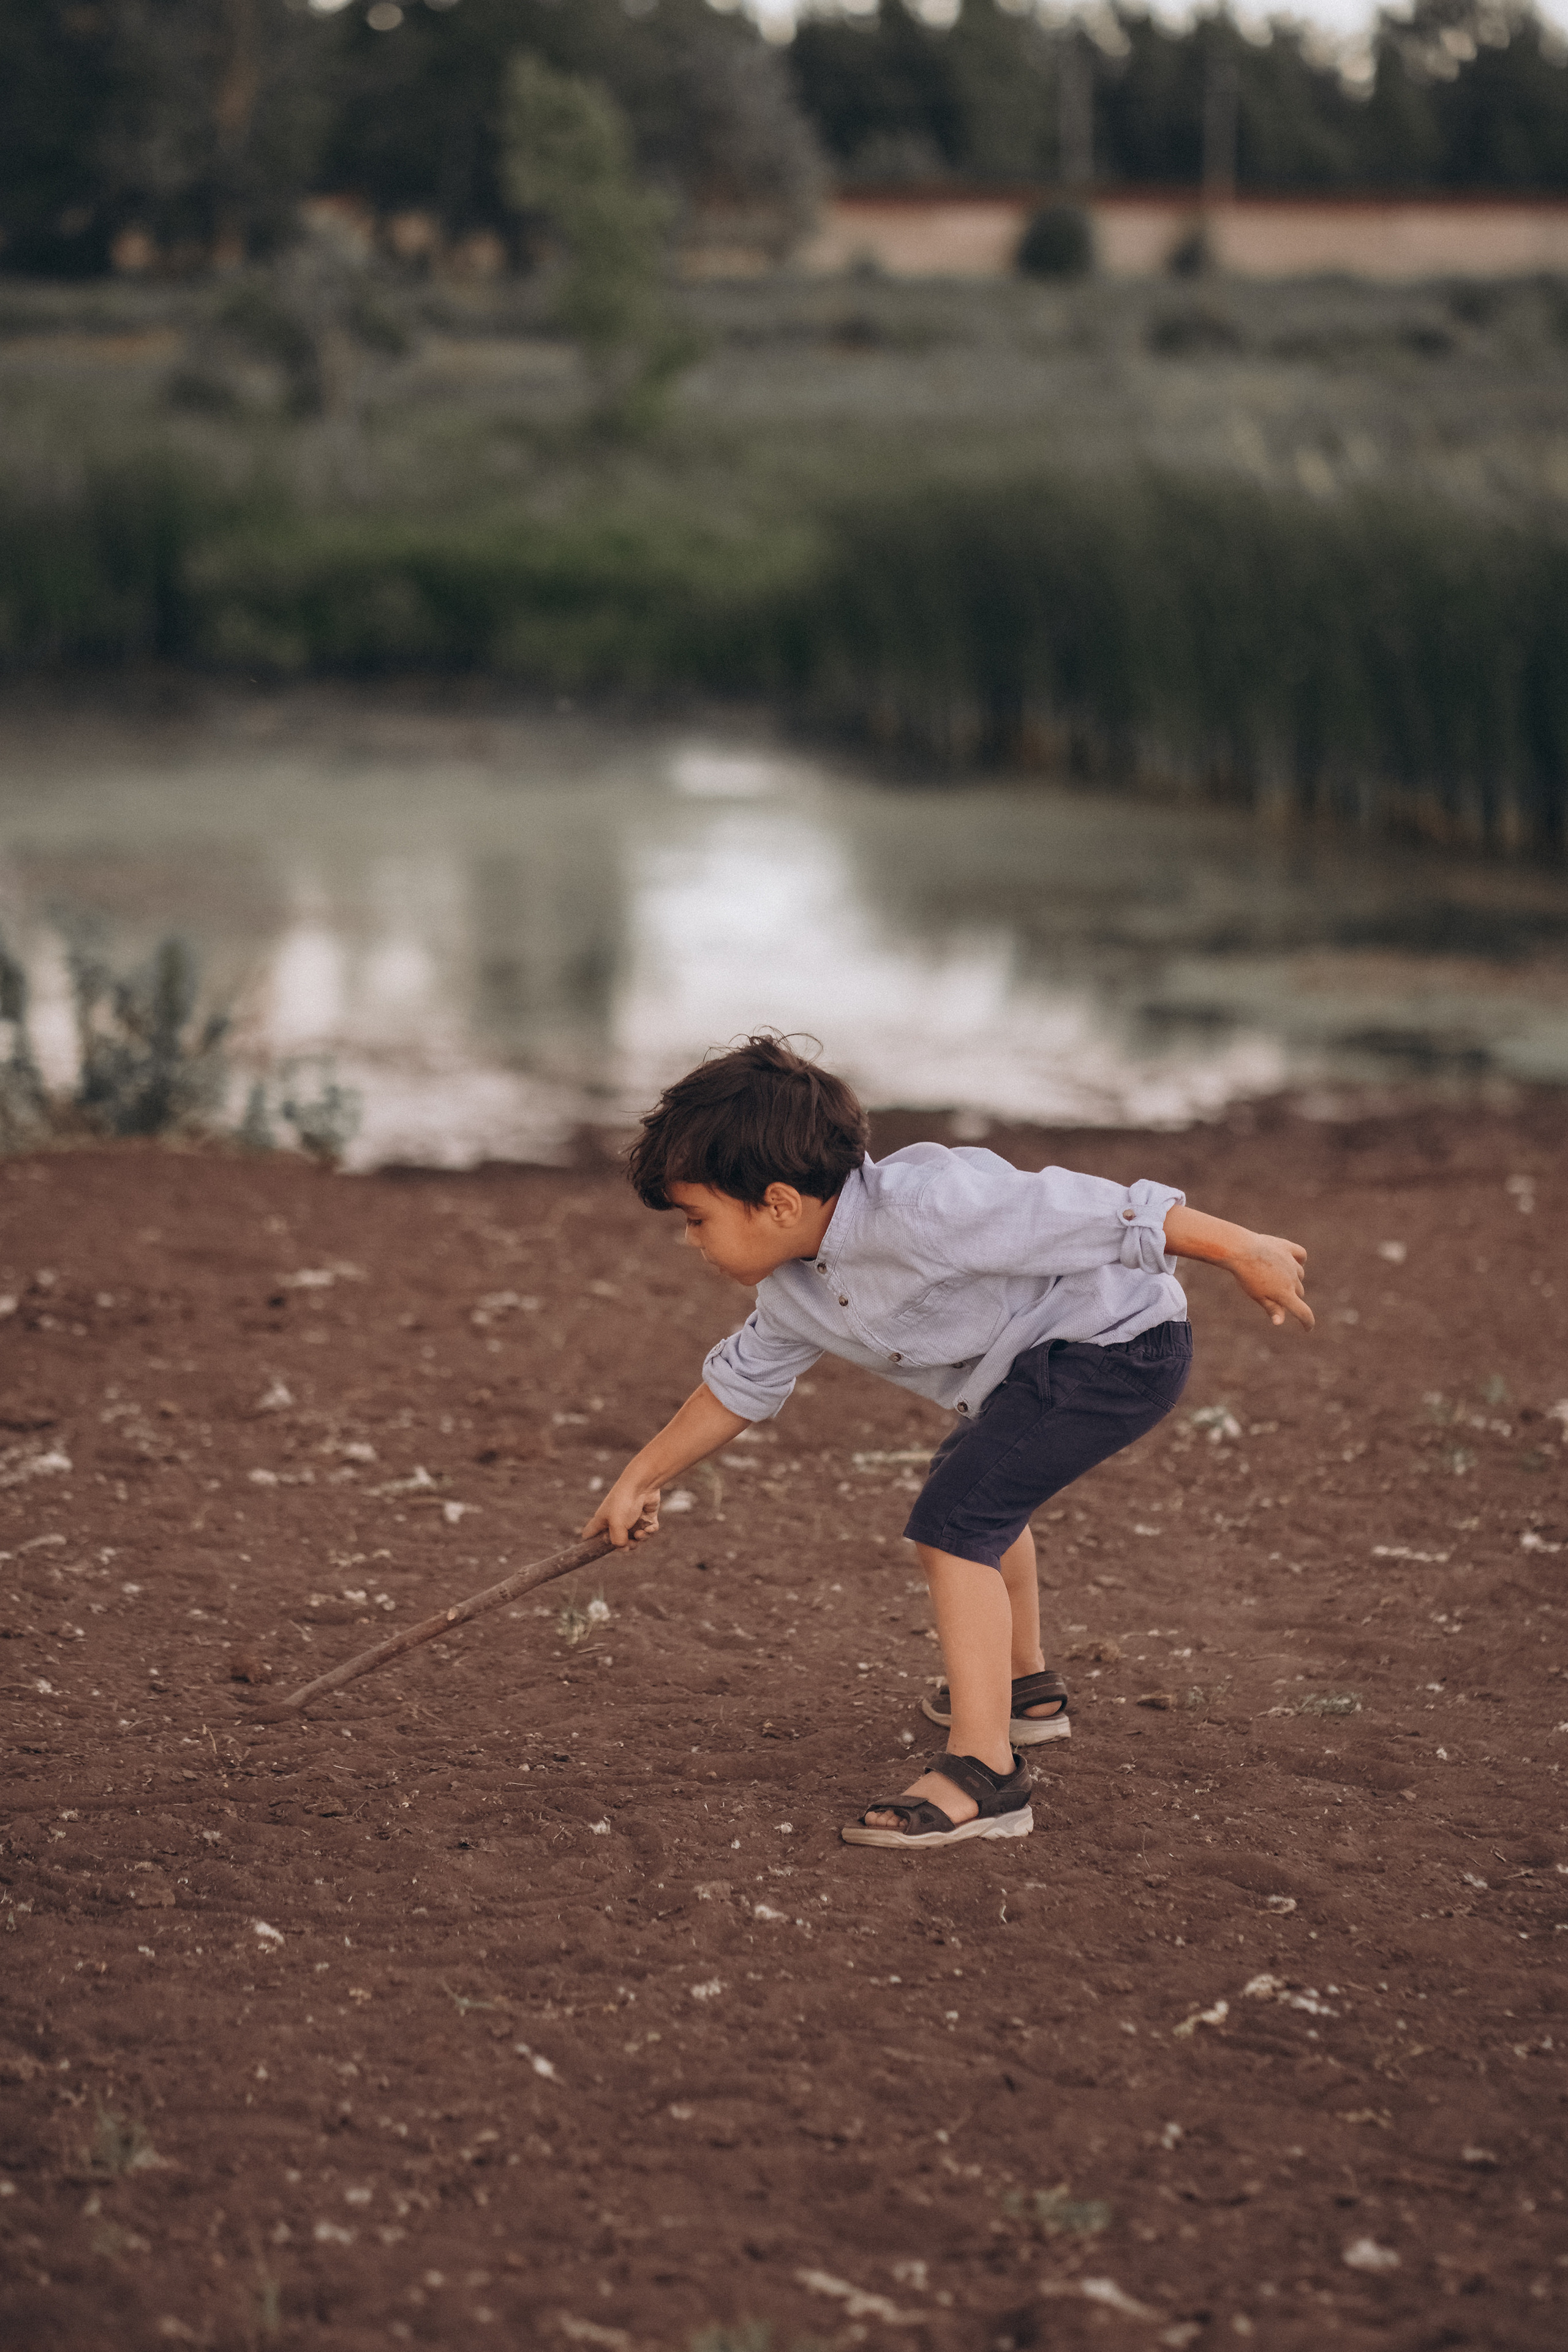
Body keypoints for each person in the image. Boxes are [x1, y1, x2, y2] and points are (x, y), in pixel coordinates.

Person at [583, 1036, 1312, 1852]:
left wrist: (1240, 1248)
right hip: (1039, 1368)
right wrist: (640, 1477)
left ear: (780, 1202)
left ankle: (985, 1775)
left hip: (1118, 1349)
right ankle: (1022, 1690)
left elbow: (1098, 1211)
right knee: (975, 1488)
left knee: (956, 1522)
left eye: (698, 1220)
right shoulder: (796, 1285)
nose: (692, 1242)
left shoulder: (927, 1207)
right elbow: (740, 1384)